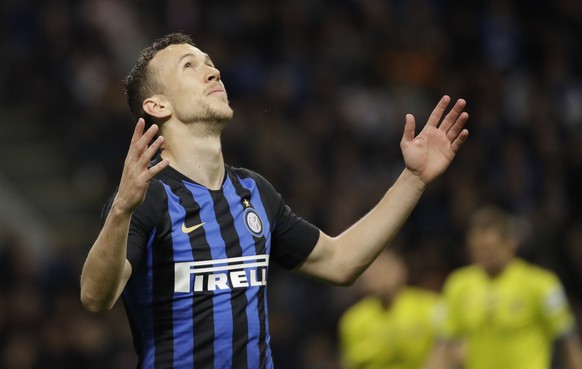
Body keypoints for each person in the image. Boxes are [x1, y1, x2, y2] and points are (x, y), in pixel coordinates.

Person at [79, 32, 469, 369]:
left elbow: (340, 261)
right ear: (158, 105)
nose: (213, 72)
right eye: (189, 66)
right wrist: (121, 209)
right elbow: (96, 297)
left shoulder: (253, 192)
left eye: (211, 64)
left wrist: (413, 179)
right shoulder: (147, 197)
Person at [424, 205, 582, 369]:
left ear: (511, 242)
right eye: (476, 249)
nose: (483, 255)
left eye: (490, 249)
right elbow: (442, 346)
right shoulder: (458, 284)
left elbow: (568, 343)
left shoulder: (542, 284)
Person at [338, 248, 439, 369]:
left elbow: (446, 353)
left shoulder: (430, 307)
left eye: (382, 269)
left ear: (400, 269)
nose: (376, 276)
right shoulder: (353, 320)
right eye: (371, 271)